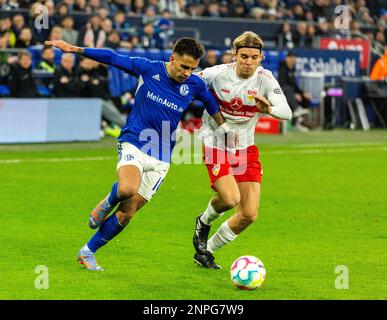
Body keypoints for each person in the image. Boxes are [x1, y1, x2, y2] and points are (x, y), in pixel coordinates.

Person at [44, 37, 232, 271]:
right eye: (184, 66)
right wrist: (76, 49)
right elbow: (113, 57)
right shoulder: (148, 68)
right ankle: (109, 199)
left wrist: (223, 127)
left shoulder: (195, 83)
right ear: (172, 59)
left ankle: (87, 252)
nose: (187, 73)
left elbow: (209, 101)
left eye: (192, 68)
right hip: (135, 141)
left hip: (162, 156)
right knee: (126, 190)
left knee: (127, 213)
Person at [192, 31, 292, 269]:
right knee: (229, 199)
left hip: (245, 148)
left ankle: (205, 251)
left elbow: (286, 112)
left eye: (254, 57)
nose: (248, 61)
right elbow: (187, 81)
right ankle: (203, 222)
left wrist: (268, 109)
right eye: (244, 56)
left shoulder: (266, 79)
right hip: (216, 143)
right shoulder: (216, 74)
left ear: (261, 58)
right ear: (234, 55)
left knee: (248, 214)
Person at [278, 50, 312, 131]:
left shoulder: (292, 69)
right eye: (292, 57)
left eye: (295, 58)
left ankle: (299, 122)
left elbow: (295, 85)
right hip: (283, 93)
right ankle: (296, 110)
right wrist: (294, 94)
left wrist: (303, 93)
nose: (294, 59)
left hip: (291, 93)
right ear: (287, 58)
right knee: (288, 90)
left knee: (306, 98)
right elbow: (282, 84)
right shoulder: (282, 68)